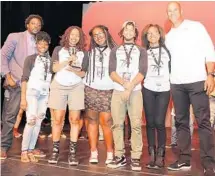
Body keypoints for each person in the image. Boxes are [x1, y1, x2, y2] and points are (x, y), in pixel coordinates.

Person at [165, 2, 215, 175]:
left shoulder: (196, 27)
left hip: (197, 81)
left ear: (181, 11)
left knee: (203, 122)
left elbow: (209, 50)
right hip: (177, 84)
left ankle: (209, 162)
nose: (172, 13)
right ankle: (184, 159)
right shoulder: (168, 36)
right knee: (181, 123)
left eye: (174, 10)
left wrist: (210, 74)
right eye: (169, 11)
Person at [1, 14, 43, 159]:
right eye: (33, 23)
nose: (36, 26)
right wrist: (7, 75)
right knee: (10, 116)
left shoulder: (41, 42)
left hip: (33, 85)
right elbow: (3, 56)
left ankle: (31, 147)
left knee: (34, 117)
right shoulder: (15, 37)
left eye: (38, 24)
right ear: (27, 25)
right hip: (16, 83)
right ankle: (3, 147)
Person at [107, 21, 148, 171]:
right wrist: (124, 84)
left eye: (132, 30)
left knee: (136, 125)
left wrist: (129, 87)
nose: (129, 32)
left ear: (135, 33)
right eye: (126, 29)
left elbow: (143, 71)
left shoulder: (141, 51)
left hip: (135, 91)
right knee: (117, 124)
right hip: (118, 90)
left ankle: (136, 157)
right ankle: (120, 155)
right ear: (122, 32)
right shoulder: (115, 50)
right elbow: (111, 72)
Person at [48, 26, 89, 165]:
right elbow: (53, 69)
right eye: (72, 34)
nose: (74, 37)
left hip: (76, 86)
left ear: (80, 38)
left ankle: (72, 153)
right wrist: (67, 61)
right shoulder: (58, 50)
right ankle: (55, 151)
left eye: (77, 35)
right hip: (59, 85)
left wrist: (74, 70)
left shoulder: (84, 53)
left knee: (75, 119)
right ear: (67, 35)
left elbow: (83, 73)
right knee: (58, 119)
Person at [83, 25, 116, 164]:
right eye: (95, 35)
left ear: (106, 33)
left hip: (108, 90)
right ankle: (94, 152)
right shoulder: (88, 53)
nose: (98, 36)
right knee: (92, 121)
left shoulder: (115, 51)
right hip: (91, 89)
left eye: (100, 33)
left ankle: (110, 152)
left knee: (107, 122)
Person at [141, 24, 171, 169]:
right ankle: (151, 155)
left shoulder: (167, 51)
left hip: (164, 89)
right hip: (148, 89)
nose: (152, 35)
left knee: (159, 122)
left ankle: (161, 156)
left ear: (160, 35)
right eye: (149, 34)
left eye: (154, 33)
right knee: (150, 122)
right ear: (146, 37)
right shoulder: (143, 52)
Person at [20, 31, 51, 162]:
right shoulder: (30, 59)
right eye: (40, 43)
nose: (42, 45)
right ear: (36, 44)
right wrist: (23, 99)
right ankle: (24, 151)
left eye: (45, 43)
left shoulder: (50, 61)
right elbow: (24, 79)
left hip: (44, 94)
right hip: (32, 93)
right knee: (31, 120)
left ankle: (31, 149)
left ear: (48, 44)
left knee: (38, 122)